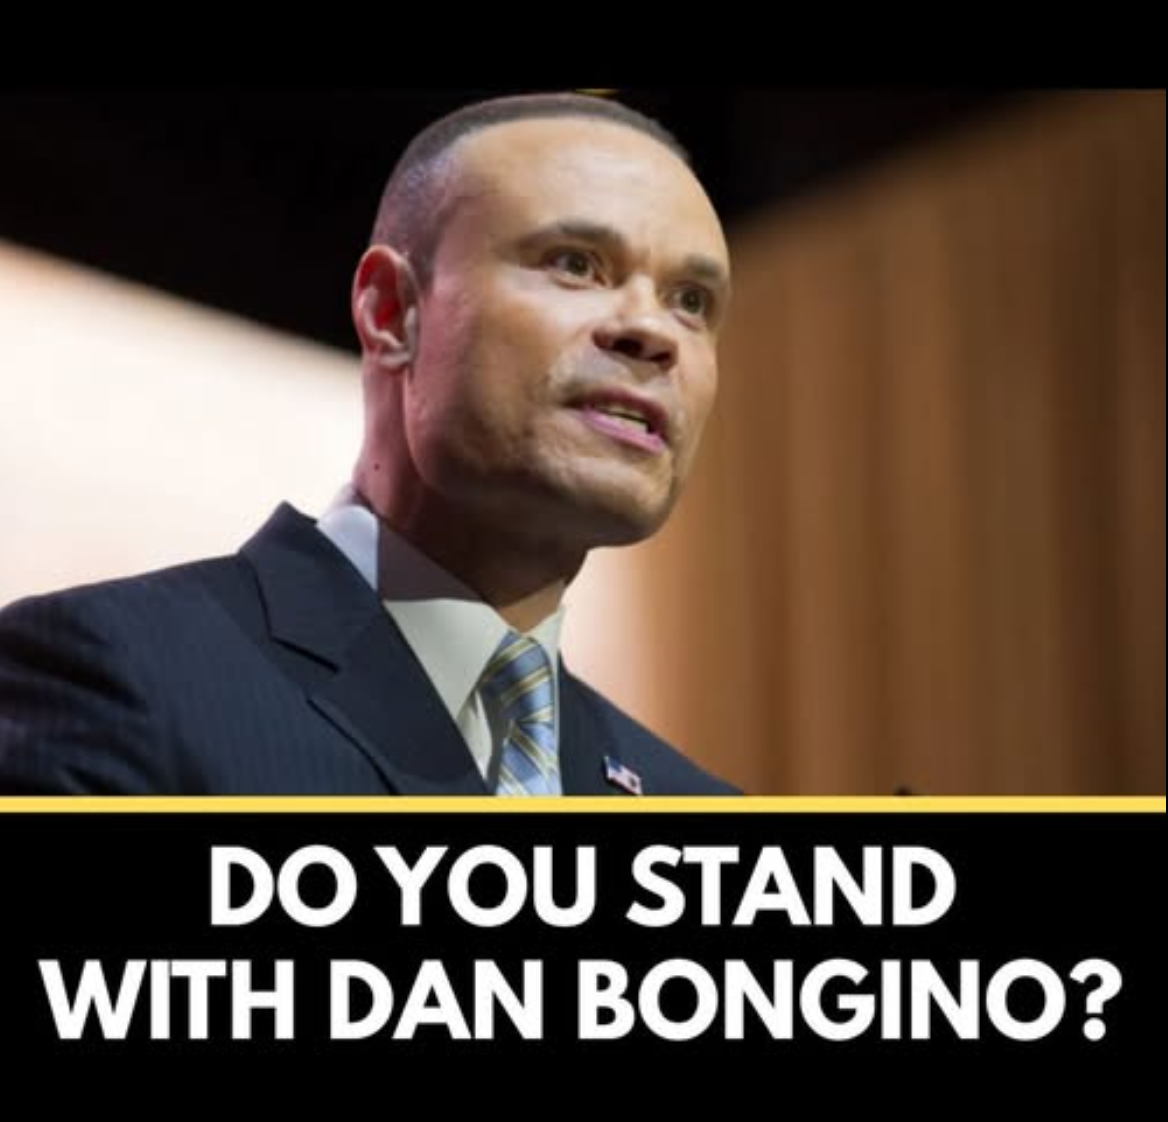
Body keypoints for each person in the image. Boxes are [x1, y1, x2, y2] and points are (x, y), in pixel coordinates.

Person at [0, 92, 737, 796]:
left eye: (691, 301)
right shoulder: (115, 676)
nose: (653, 331)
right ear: (391, 312)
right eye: (575, 263)